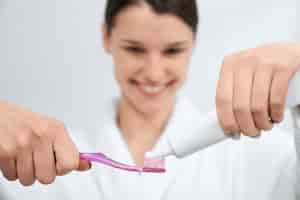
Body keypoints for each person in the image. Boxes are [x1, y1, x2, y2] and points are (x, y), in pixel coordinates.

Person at [0, 0, 300, 199]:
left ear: (193, 43)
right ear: (107, 38)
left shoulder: (258, 155)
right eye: (134, 49)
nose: (154, 73)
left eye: (172, 51)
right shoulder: (46, 164)